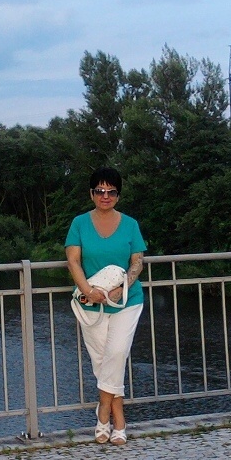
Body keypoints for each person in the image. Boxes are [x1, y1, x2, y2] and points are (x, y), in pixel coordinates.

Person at [65, 166, 147, 445]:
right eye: (100, 190)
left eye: (111, 191)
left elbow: (137, 261)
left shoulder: (130, 224)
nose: (105, 196)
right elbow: (73, 261)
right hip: (92, 304)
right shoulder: (79, 223)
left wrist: (122, 288)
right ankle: (116, 412)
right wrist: (89, 291)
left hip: (127, 301)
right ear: (91, 194)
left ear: (118, 195)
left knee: (117, 352)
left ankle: (107, 414)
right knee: (102, 361)